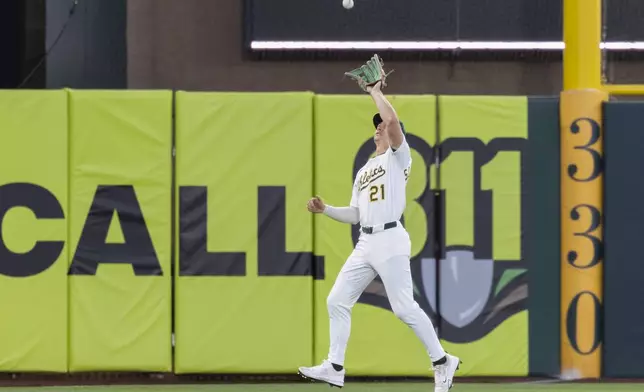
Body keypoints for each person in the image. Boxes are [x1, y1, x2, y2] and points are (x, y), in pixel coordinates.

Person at [298, 80, 460, 391]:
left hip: (390, 238)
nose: (379, 129)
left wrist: (375, 92)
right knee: (337, 300)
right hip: (366, 241)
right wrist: (326, 209)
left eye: (382, 126)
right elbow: (356, 214)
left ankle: (441, 361)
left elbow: (394, 121)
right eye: (376, 127)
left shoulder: (399, 158)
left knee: (402, 308)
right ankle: (334, 366)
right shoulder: (364, 170)